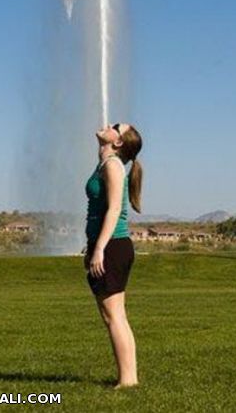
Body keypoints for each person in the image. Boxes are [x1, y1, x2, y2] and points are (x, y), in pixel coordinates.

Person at [84, 121, 143, 388]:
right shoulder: (107, 164)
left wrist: (99, 249)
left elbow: (114, 209)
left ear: (117, 142)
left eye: (115, 127)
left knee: (114, 316)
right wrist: (94, 243)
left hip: (113, 248)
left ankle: (128, 380)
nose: (107, 125)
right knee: (115, 315)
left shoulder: (113, 166)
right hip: (110, 246)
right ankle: (129, 378)